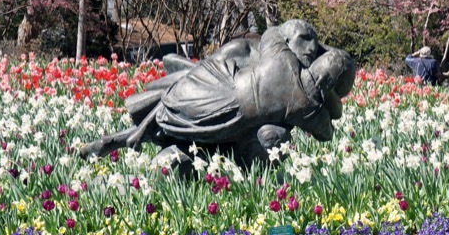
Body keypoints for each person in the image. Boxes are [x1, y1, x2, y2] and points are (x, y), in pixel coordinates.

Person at [82, 19, 355, 165]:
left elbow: (273, 33)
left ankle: (123, 139)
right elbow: (328, 129)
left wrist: (324, 57)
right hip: (226, 102)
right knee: (185, 121)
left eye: (316, 48)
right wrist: (327, 86)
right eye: (306, 41)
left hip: (220, 96)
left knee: (177, 114)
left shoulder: (278, 56)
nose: (311, 49)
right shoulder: (306, 105)